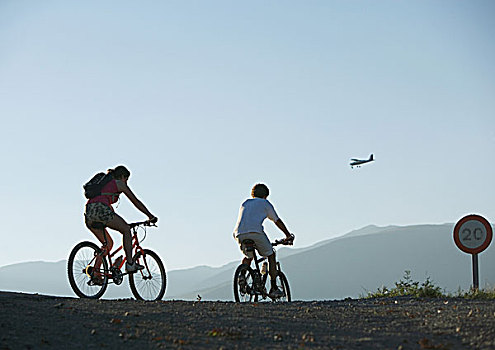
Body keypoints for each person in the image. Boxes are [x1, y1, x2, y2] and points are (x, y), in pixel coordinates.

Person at [84, 165, 157, 280]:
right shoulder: (118, 184)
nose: (126, 182)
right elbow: (135, 201)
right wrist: (150, 216)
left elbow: (104, 201)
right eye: (126, 179)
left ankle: (96, 273)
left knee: (108, 244)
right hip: (101, 209)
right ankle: (130, 264)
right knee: (126, 230)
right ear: (122, 176)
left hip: (89, 212)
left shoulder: (105, 185)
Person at [233, 183, 294, 298]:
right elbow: (277, 221)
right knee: (271, 255)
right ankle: (274, 288)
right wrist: (287, 235)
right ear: (265, 195)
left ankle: (242, 275)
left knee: (248, 256)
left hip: (239, 234)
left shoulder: (245, 203)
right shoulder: (265, 203)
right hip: (256, 233)